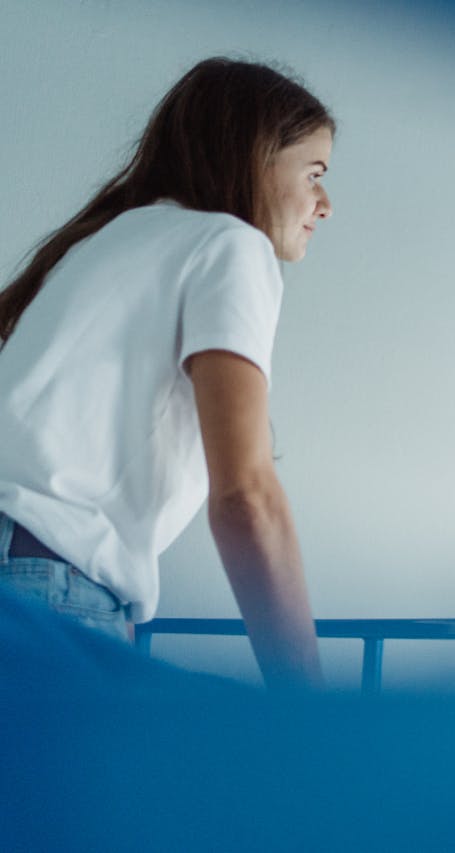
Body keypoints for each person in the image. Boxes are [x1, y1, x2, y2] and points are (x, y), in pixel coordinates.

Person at [0, 57, 334, 689]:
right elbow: (245, 497)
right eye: (314, 173)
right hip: (46, 583)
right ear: (256, 158)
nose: (326, 202)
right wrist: (308, 706)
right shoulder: (231, 246)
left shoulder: (106, 240)